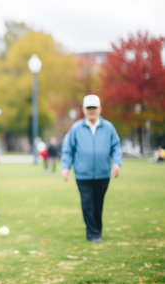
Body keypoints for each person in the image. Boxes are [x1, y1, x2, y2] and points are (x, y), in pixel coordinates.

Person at [61, 95, 122, 243]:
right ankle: (93, 233)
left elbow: (116, 147)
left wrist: (116, 164)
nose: (92, 111)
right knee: (87, 204)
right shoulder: (76, 128)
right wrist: (65, 167)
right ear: (84, 110)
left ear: (100, 109)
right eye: (89, 108)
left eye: (94, 108)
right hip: (83, 174)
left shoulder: (108, 127)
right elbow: (68, 149)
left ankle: (96, 230)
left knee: (98, 203)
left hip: (103, 173)